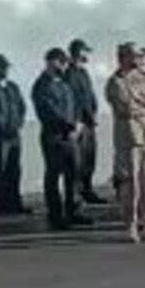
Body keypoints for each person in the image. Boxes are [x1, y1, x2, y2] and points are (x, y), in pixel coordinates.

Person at [105, 42, 145, 242]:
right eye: (137, 55)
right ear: (124, 57)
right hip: (130, 137)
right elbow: (126, 107)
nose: (141, 59)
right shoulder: (116, 82)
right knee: (130, 183)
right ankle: (130, 225)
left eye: (142, 55)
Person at [32, 48, 89, 231]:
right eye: (60, 61)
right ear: (49, 62)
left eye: (64, 61)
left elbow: (75, 106)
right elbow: (48, 111)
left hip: (70, 137)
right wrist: (69, 125)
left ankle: (74, 211)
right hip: (53, 136)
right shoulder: (42, 85)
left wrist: (78, 124)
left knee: (74, 175)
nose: (64, 65)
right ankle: (55, 216)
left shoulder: (64, 85)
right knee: (54, 176)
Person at [0, 55, 31, 215]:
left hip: (14, 135)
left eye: (6, 67)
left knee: (14, 170)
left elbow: (22, 107)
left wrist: (18, 124)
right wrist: (5, 128)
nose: (5, 70)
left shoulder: (12, 87)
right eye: (1, 67)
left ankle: (15, 203)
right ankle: (0, 206)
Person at [66, 39, 108, 206]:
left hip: (89, 121)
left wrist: (93, 113)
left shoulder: (83, 72)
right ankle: (78, 194)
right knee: (78, 161)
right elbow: (73, 99)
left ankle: (87, 189)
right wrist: (76, 121)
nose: (87, 56)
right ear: (77, 52)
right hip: (79, 123)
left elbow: (89, 96)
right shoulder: (69, 73)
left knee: (89, 158)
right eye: (85, 52)